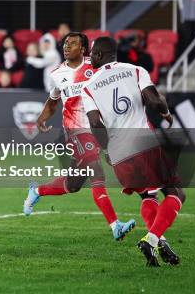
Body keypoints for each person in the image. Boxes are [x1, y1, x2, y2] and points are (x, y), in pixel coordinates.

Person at [24, 32, 136, 240]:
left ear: (83, 49)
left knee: (74, 184)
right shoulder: (57, 73)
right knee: (97, 172)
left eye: (72, 43)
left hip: (99, 129)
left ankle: (37, 191)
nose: (67, 47)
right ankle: (115, 225)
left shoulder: (95, 66)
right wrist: (42, 118)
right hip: (76, 131)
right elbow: (53, 100)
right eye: (65, 43)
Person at [82, 36, 183, 267]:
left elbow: (95, 125)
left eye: (92, 55)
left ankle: (160, 241)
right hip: (143, 145)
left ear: (98, 55)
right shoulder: (135, 70)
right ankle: (153, 238)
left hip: (119, 155)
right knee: (176, 192)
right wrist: (166, 113)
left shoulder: (88, 88)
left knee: (148, 195)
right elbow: (154, 100)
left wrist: (107, 149)